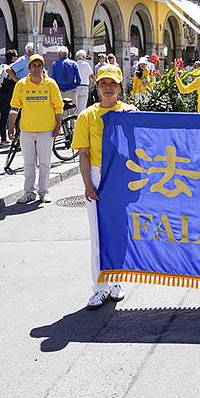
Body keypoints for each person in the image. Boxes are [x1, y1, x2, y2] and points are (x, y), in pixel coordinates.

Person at [74, 64, 135, 309]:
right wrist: (88, 184)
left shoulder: (129, 112)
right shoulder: (87, 116)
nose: (108, 88)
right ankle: (100, 287)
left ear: (120, 86)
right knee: (98, 235)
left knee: (119, 232)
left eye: (112, 83)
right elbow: (84, 154)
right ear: (96, 86)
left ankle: (117, 282)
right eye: (103, 84)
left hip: (121, 176)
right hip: (98, 176)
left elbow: (139, 146)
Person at [8, 54, 63, 203]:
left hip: (46, 130)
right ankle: (28, 192)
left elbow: (58, 107)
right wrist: (11, 125)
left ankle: (43, 191)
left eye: (39, 65)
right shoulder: (21, 84)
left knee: (45, 162)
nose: (37, 68)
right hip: (27, 130)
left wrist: (58, 126)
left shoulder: (51, 84)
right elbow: (15, 107)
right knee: (28, 163)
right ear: (29, 68)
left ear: (43, 67)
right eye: (34, 66)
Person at [0, 50, 19, 147]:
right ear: (13, 57)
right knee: (16, 115)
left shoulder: (2, 66)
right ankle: (16, 137)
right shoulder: (13, 67)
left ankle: (3, 139)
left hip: (2, 94)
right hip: (11, 94)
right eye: (16, 56)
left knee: (4, 116)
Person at [75, 50, 94, 115]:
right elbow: (91, 75)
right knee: (82, 107)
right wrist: (97, 82)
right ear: (83, 56)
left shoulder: (74, 64)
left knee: (76, 107)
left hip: (76, 87)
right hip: (84, 87)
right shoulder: (85, 64)